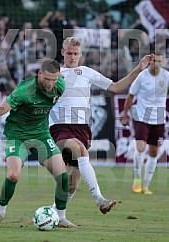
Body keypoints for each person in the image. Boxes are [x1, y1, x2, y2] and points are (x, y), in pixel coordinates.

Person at [0, 59, 77, 228]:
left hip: (41, 134)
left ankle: (60, 217)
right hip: (17, 135)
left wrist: (58, 76)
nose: (50, 84)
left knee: (63, 177)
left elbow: (63, 75)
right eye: (47, 79)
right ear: (39, 74)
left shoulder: (59, 85)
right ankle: (0, 212)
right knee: (13, 175)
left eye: (54, 79)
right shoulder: (24, 92)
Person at [49, 37, 153, 214]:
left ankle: (53, 214)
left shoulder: (87, 72)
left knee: (72, 184)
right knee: (81, 150)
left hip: (82, 129)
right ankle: (100, 199)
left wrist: (138, 70)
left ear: (81, 54)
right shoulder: (54, 74)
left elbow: (115, 87)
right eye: (69, 53)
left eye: (76, 54)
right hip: (60, 127)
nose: (72, 57)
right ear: (62, 53)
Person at [121, 51, 169, 195]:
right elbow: (131, 95)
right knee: (141, 147)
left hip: (159, 119)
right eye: (154, 61)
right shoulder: (142, 77)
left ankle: (146, 185)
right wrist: (125, 114)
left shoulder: (167, 77)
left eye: (160, 62)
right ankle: (137, 180)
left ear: (163, 63)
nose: (157, 64)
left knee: (154, 151)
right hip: (142, 117)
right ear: (150, 62)